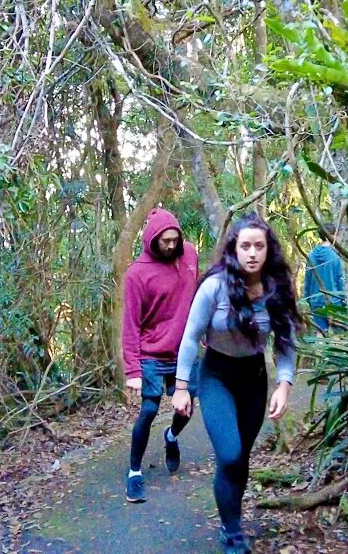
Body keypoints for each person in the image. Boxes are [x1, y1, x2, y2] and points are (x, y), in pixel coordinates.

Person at [172, 212, 301, 554]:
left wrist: (284, 385)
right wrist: (182, 387)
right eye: (245, 246)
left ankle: (233, 519)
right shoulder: (214, 287)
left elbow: (286, 344)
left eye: (259, 246)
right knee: (229, 454)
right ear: (235, 249)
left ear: (267, 249)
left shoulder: (277, 289)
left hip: (254, 378)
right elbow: (190, 336)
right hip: (216, 375)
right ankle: (231, 534)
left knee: (241, 458)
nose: (252, 253)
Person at [121, 207, 200, 504]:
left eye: (174, 240)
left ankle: (171, 437)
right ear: (152, 239)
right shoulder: (137, 274)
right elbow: (130, 324)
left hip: (184, 351)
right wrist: (133, 371)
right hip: (151, 353)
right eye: (164, 241)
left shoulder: (190, 256)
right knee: (149, 409)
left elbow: (198, 295)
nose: (170, 246)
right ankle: (134, 472)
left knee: (187, 405)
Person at [301, 242, 346, 333]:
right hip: (335, 303)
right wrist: (344, 300)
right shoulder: (335, 257)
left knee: (321, 333)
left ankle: (319, 347)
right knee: (338, 336)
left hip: (315, 301)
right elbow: (340, 281)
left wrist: (308, 299)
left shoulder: (310, 256)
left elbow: (307, 280)